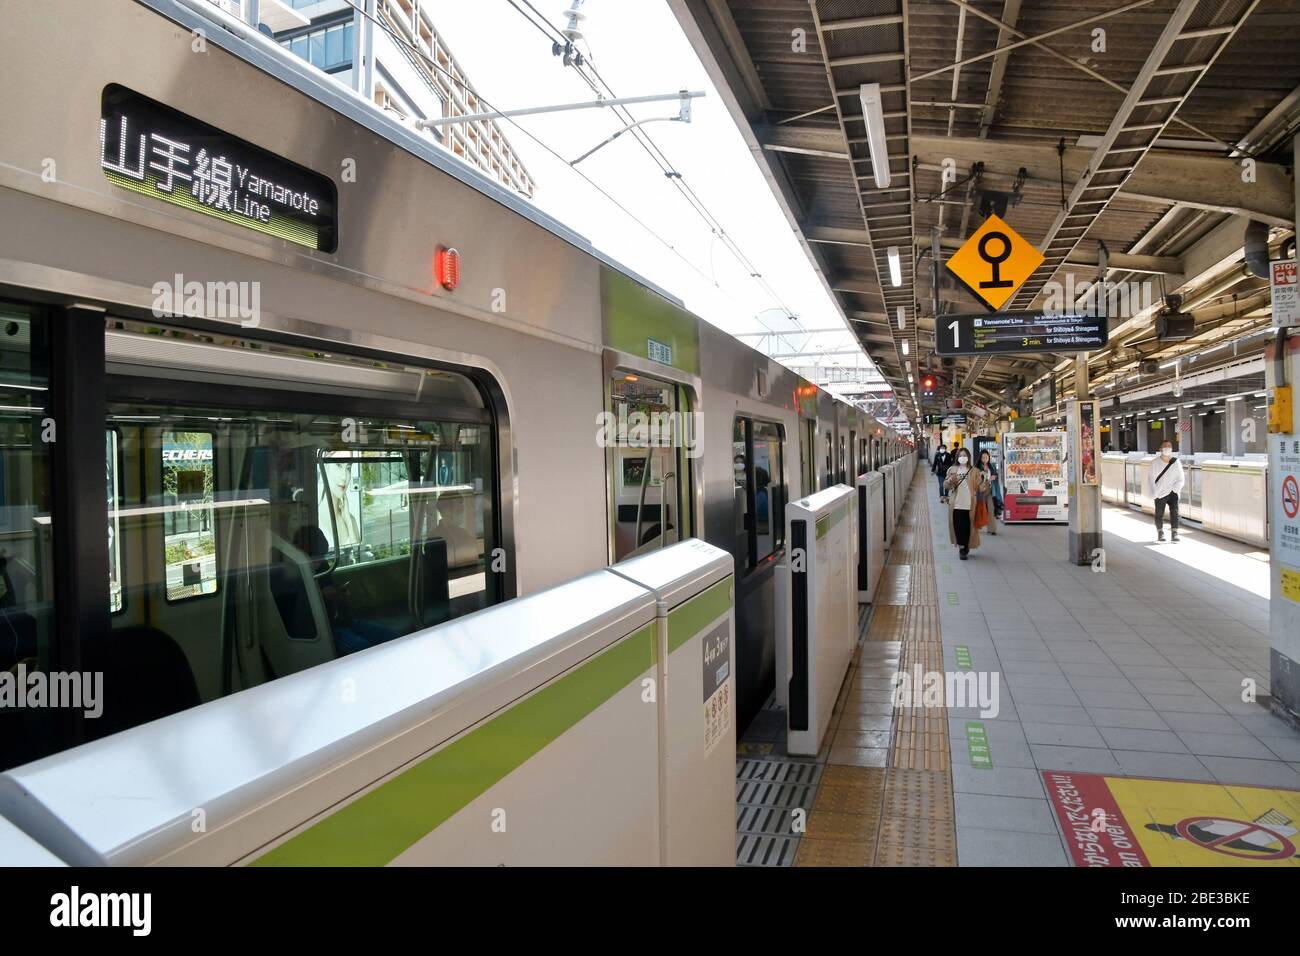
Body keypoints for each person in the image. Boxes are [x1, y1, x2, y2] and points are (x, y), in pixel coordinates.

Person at [945, 446, 989, 560]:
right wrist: (950, 481)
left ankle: (966, 546)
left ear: (968, 457)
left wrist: (986, 480)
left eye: (964, 455)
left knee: (968, 527)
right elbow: (946, 486)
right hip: (956, 503)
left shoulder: (974, 471)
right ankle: (962, 548)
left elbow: (980, 487)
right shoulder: (952, 470)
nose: (962, 457)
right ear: (957, 457)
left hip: (970, 504)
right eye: (960, 455)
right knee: (958, 527)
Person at [1148, 439, 1185, 542]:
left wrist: (1176, 489)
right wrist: (1154, 492)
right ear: (1161, 449)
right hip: (1160, 492)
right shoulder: (1155, 463)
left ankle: (1175, 533)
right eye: (1165, 446)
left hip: (1173, 492)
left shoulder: (1176, 462)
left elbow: (1181, 477)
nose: (1167, 448)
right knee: (1159, 513)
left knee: (1175, 512)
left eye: (1169, 446)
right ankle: (1160, 532)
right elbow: (1151, 479)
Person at [977, 448, 1000, 535]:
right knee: (980, 509)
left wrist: (994, 476)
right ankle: (977, 526)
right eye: (983, 457)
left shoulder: (991, 466)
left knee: (991, 509)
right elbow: (975, 479)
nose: (985, 459)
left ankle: (992, 529)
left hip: (990, 490)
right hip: (980, 491)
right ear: (980, 458)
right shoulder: (977, 467)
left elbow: (995, 474)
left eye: (986, 457)